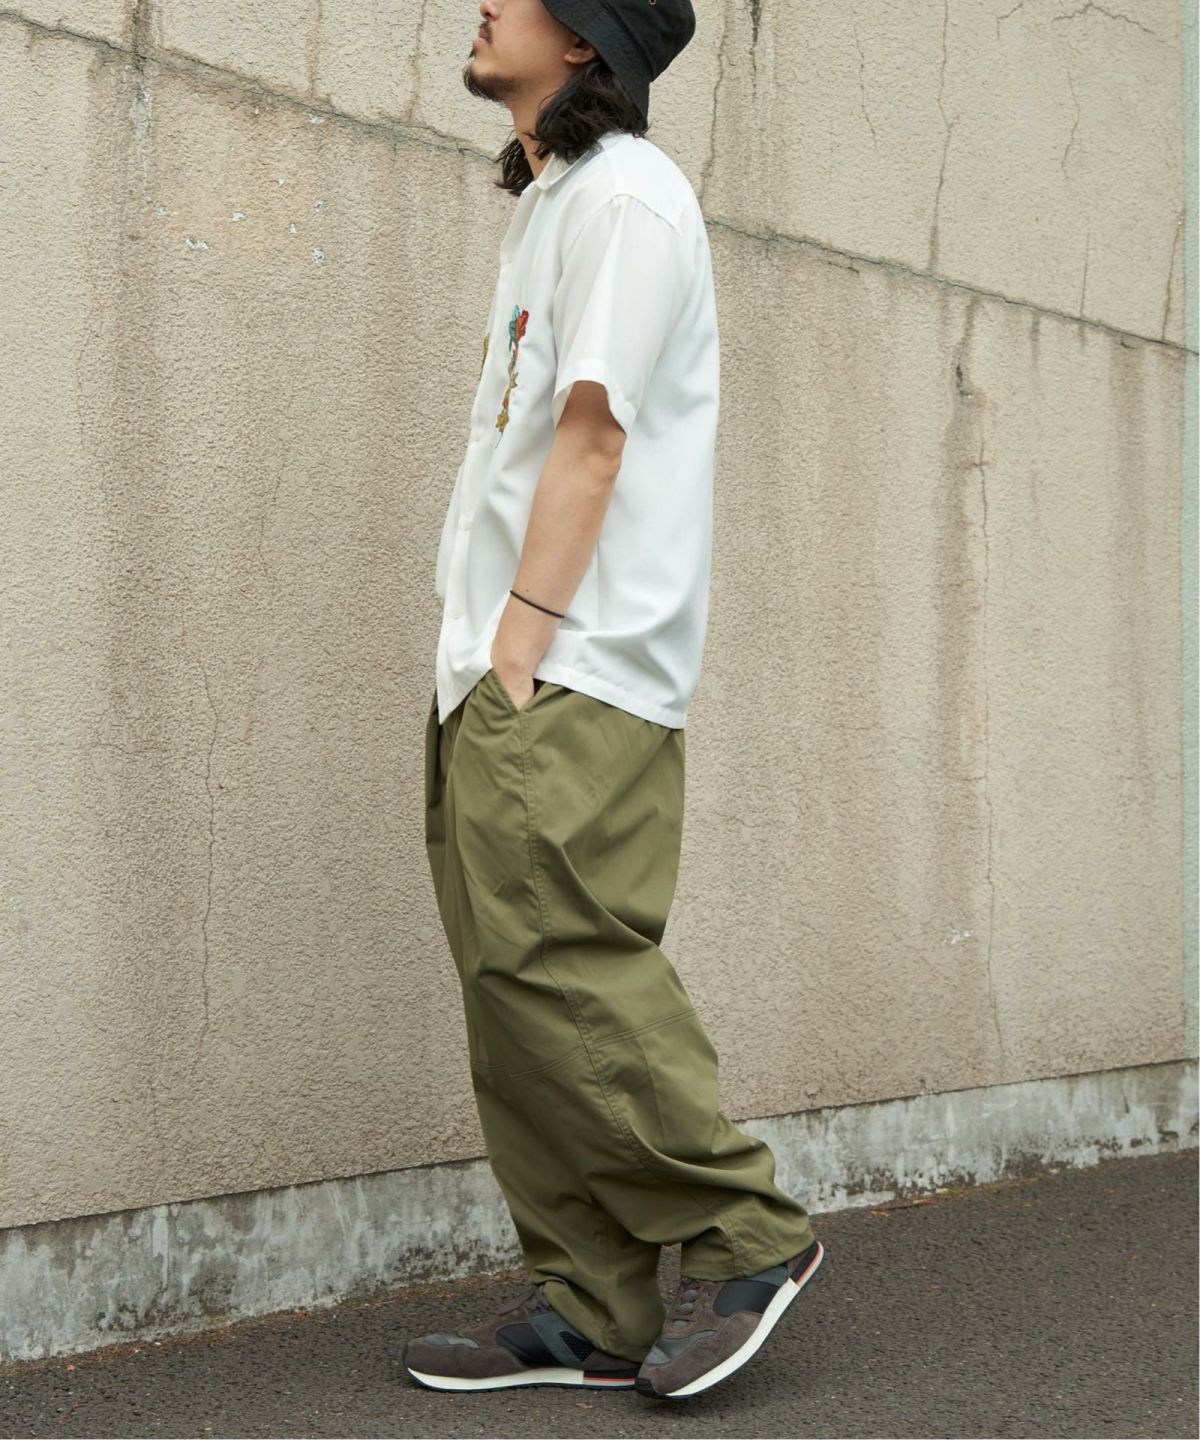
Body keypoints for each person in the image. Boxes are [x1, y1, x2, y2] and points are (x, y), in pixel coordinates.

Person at [405, 0, 825, 1402]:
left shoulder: (631, 200)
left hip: (570, 665)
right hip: (502, 666)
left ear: (585, 39)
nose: (483, 3)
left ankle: (748, 1235)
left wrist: (524, 639)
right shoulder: (558, 204)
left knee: (564, 964)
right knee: (509, 988)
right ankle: (592, 1304)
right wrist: (486, 655)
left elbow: (592, 436)